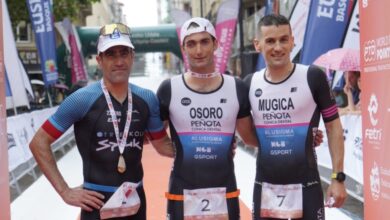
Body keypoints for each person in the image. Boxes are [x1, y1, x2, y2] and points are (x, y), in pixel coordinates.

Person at [29, 23, 174, 220]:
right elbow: (39, 143)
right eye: (111, 54)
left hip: (136, 202)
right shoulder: (81, 99)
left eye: (124, 53)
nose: (119, 61)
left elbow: (163, 146)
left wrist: (213, 145)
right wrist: (65, 191)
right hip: (96, 204)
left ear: (132, 56)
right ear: (99, 60)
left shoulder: (147, 99)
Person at [245, 14, 347, 220]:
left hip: (306, 187)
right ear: (258, 44)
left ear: (292, 41)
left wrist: (338, 178)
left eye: (284, 39)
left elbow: (334, 127)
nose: (278, 47)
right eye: (270, 41)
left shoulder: (313, 77)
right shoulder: (249, 83)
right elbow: (245, 133)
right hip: (266, 188)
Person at [157, 17, 259, 219]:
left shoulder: (236, 87)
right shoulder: (169, 89)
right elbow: (154, 138)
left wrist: (306, 137)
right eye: (191, 44)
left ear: (216, 44)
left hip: (224, 190)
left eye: (204, 42)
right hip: (182, 191)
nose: (198, 50)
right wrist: (178, 150)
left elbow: (250, 137)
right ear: (183, 48)